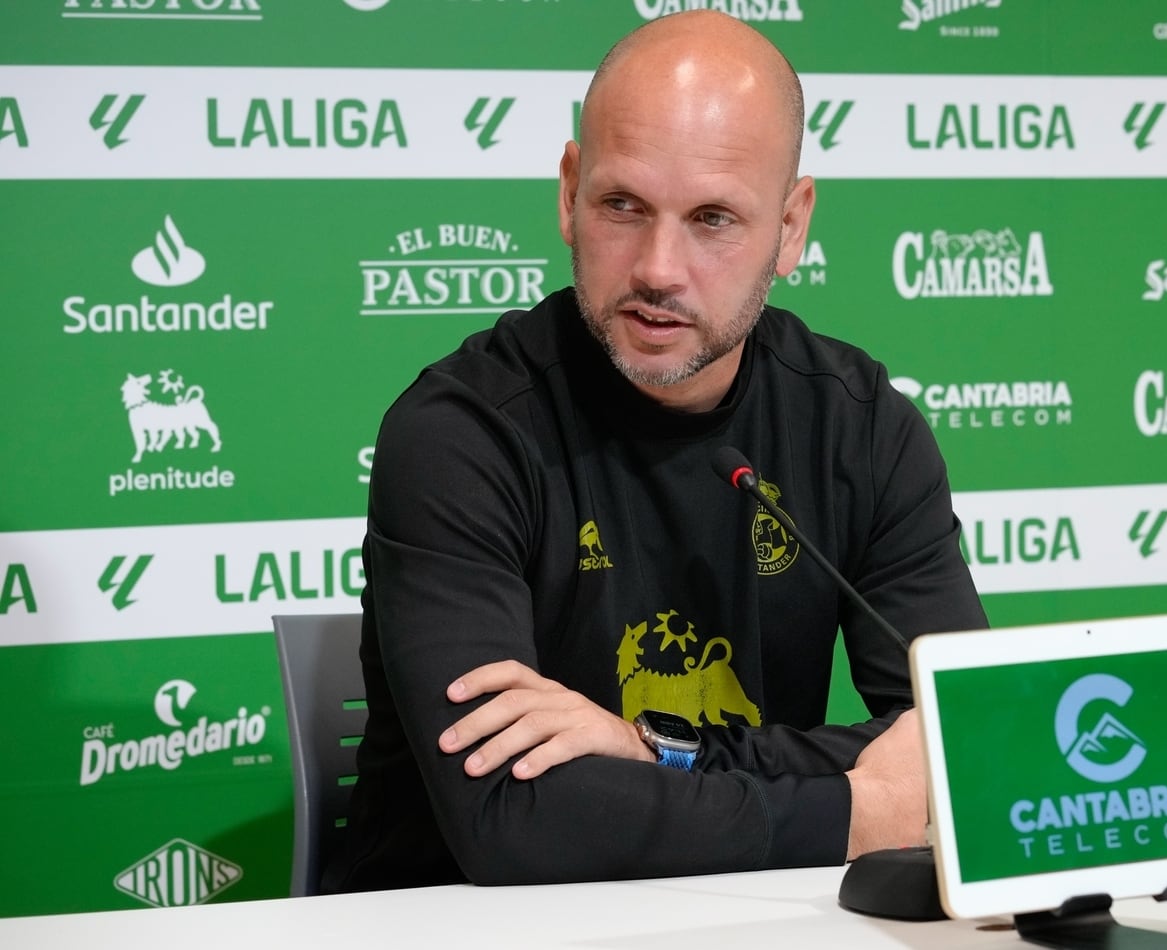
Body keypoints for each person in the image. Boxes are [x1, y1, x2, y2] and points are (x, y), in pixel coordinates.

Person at [325, 10, 987, 892]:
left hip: (736, 911)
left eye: (714, 218)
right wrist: (855, 808)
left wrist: (652, 746)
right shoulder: (460, 432)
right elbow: (511, 822)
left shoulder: (859, 426)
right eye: (622, 206)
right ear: (569, 193)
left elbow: (960, 742)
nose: (658, 269)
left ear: (791, 227)